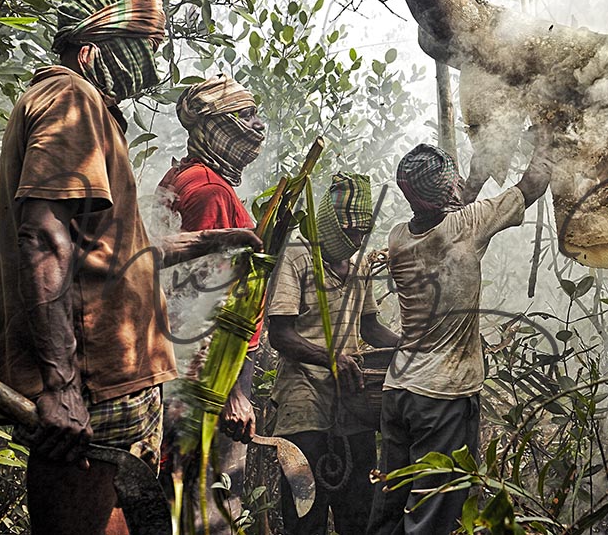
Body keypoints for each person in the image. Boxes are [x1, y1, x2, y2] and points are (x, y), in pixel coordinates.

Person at [0, 0, 261, 535]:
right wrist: (62, 386)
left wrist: (200, 242)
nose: (147, 65)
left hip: (114, 384)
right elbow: (44, 238)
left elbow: (104, 256)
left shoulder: (82, 110)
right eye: (137, 48)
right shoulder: (71, 97)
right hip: (94, 386)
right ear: (91, 50)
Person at [367, 138, 551, 535]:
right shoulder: (466, 226)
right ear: (448, 190)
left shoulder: (399, 238)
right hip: (442, 395)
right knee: (434, 512)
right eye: (452, 182)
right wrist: (547, 135)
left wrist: (476, 171)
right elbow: (532, 185)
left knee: (392, 502)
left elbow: (451, 202)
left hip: (399, 389)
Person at [156, 73, 266, 526]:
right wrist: (231, 393)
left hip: (186, 367)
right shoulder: (210, 192)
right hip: (212, 369)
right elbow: (200, 298)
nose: (256, 127)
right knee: (213, 503)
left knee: (181, 495)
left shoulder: (184, 177)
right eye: (244, 116)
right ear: (217, 126)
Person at [266, 172, 399, 535]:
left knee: (357, 509)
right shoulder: (298, 257)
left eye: (362, 233)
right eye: (350, 232)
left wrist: (408, 347)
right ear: (330, 223)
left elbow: (370, 326)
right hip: (303, 401)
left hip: (352, 400)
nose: (357, 241)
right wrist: (330, 359)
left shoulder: (359, 267)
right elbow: (280, 333)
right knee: (304, 512)